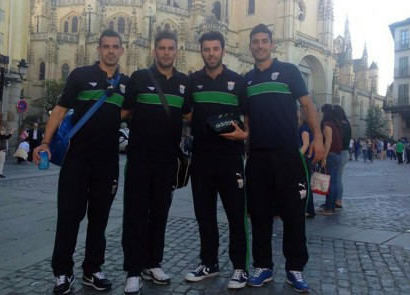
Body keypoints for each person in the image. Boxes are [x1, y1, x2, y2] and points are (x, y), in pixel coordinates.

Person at [33, 29, 128, 294]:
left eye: (115, 46)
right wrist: (44, 143)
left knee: (100, 219)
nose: (111, 50)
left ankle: (92, 269)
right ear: (98, 49)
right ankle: (63, 272)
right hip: (78, 159)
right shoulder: (80, 75)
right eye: (106, 46)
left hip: (108, 162)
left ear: (122, 50)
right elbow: (60, 110)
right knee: (69, 217)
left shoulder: (126, 84)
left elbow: (130, 110)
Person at [244, 24, 324, 293]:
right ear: (250, 46)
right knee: (260, 215)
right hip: (257, 157)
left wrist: (318, 136)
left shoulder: (289, 71)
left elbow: (307, 105)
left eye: (264, 41)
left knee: (293, 214)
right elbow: (246, 120)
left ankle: (295, 268)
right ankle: (263, 266)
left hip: (287, 155)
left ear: (272, 44)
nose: (259, 46)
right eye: (255, 42)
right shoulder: (247, 80)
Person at [121, 30, 191, 295]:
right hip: (139, 159)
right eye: (161, 48)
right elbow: (123, 113)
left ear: (176, 51)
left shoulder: (184, 83)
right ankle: (132, 271)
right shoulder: (139, 78)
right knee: (136, 214)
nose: (166, 52)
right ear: (155, 51)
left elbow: (191, 116)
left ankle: (153, 263)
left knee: (160, 213)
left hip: (167, 162)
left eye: (170, 48)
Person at [184, 31, 249, 289]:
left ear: (223, 50)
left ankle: (240, 268)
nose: (211, 53)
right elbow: (187, 114)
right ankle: (209, 263)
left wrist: (245, 135)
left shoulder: (237, 81)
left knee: (235, 215)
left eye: (215, 49)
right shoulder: (192, 82)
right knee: (204, 214)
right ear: (201, 51)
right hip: (201, 158)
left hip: (230, 159)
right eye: (207, 49)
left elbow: (248, 116)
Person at [318, 104, 342, 215]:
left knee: (330, 183)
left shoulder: (327, 125)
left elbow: (328, 141)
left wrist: (324, 157)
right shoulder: (335, 124)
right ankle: (331, 207)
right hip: (337, 155)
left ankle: (328, 208)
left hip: (331, 155)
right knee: (333, 181)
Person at [297, 108, 315, 218]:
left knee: (305, 184)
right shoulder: (305, 127)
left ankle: (308, 209)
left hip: (304, 159)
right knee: (305, 184)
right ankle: (308, 209)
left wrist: (297, 156)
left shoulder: (304, 127)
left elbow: (306, 144)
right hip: (305, 158)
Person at [333, 105, 351, 209]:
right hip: (345, 152)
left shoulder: (341, 124)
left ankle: (337, 201)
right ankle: (337, 200)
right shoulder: (347, 123)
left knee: (337, 179)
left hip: (340, 152)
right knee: (338, 178)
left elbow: (340, 140)